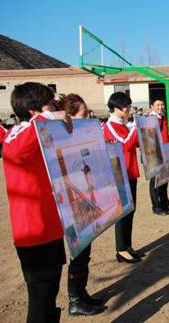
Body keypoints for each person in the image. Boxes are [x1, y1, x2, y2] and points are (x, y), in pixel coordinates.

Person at [2, 82, 70, 323]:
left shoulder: (39, 131)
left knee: (50, 295)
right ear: (34, 111)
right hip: (33, 232)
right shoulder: (17, 134)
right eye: (49, 104)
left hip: (50, 228)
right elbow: (18, 149)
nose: (54, 108)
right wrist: (50, 116)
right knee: (40, 301)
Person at [56, 94, 106, 316]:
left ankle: (81, 293)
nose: (88, 118)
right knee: (79, 251)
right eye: (84, 114)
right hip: (75, 203)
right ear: (69, 117)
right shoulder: (62, 141)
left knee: (85, 251)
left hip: (87, 199)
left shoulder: (80, 137)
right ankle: (75, 300)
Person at [102, 92, 142, 264]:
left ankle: (127, 245)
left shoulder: (124, 125)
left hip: (130, 172)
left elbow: (134, 142)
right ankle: (120, 249)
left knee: (130, 211)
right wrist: (135, 128)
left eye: (128, 106)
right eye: (125, 106)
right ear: (115, 108)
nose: (128, 109)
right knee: (122, 213)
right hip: (119, 175)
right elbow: (125, 144)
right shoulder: (109, 126)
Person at [149, 99, 169, 216]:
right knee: (155, 180)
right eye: (158, 105)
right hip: (155, 154)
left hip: (165, 152)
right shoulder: (150, 119)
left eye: (162, 105)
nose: (160, 107)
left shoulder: (162, 117)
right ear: (152, 106)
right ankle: (156, 206)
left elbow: (166, 135)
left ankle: (165, 203)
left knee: (164, 179)